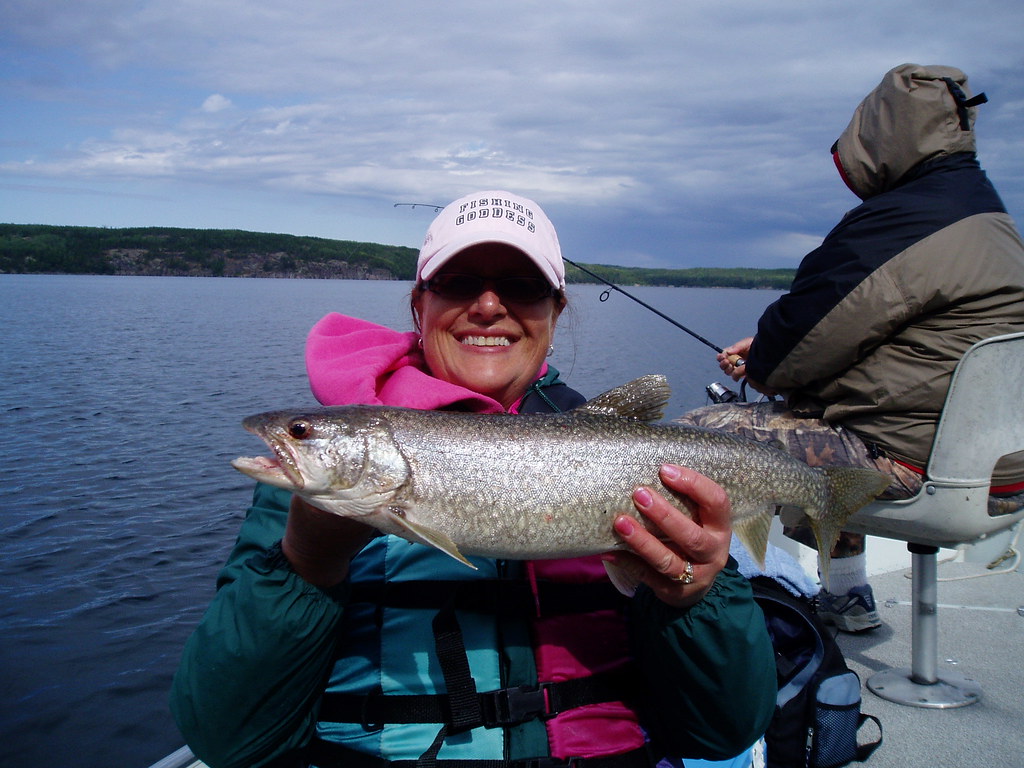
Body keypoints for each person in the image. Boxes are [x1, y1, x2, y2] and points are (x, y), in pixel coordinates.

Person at [171, 190, 777, 768]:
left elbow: (721, 732)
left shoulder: (628, 461)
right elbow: (233, 745)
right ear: (419, 304)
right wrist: (305, 565)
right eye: (459, 283)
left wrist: (697, 600)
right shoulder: (306, 498)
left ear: (556, 310)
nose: (489, 306)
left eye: (521, 286)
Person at [680, 63, 1024, 632]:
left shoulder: (900, 224)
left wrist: (761, 360)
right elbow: (889, 350)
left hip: (918, 466)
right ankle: (847, 599)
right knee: (826, 425)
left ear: (883, 133)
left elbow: (794, 350)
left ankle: (716, 618)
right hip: (1002, 474)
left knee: (695, 439)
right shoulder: (990, 220)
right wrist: (769, 353)